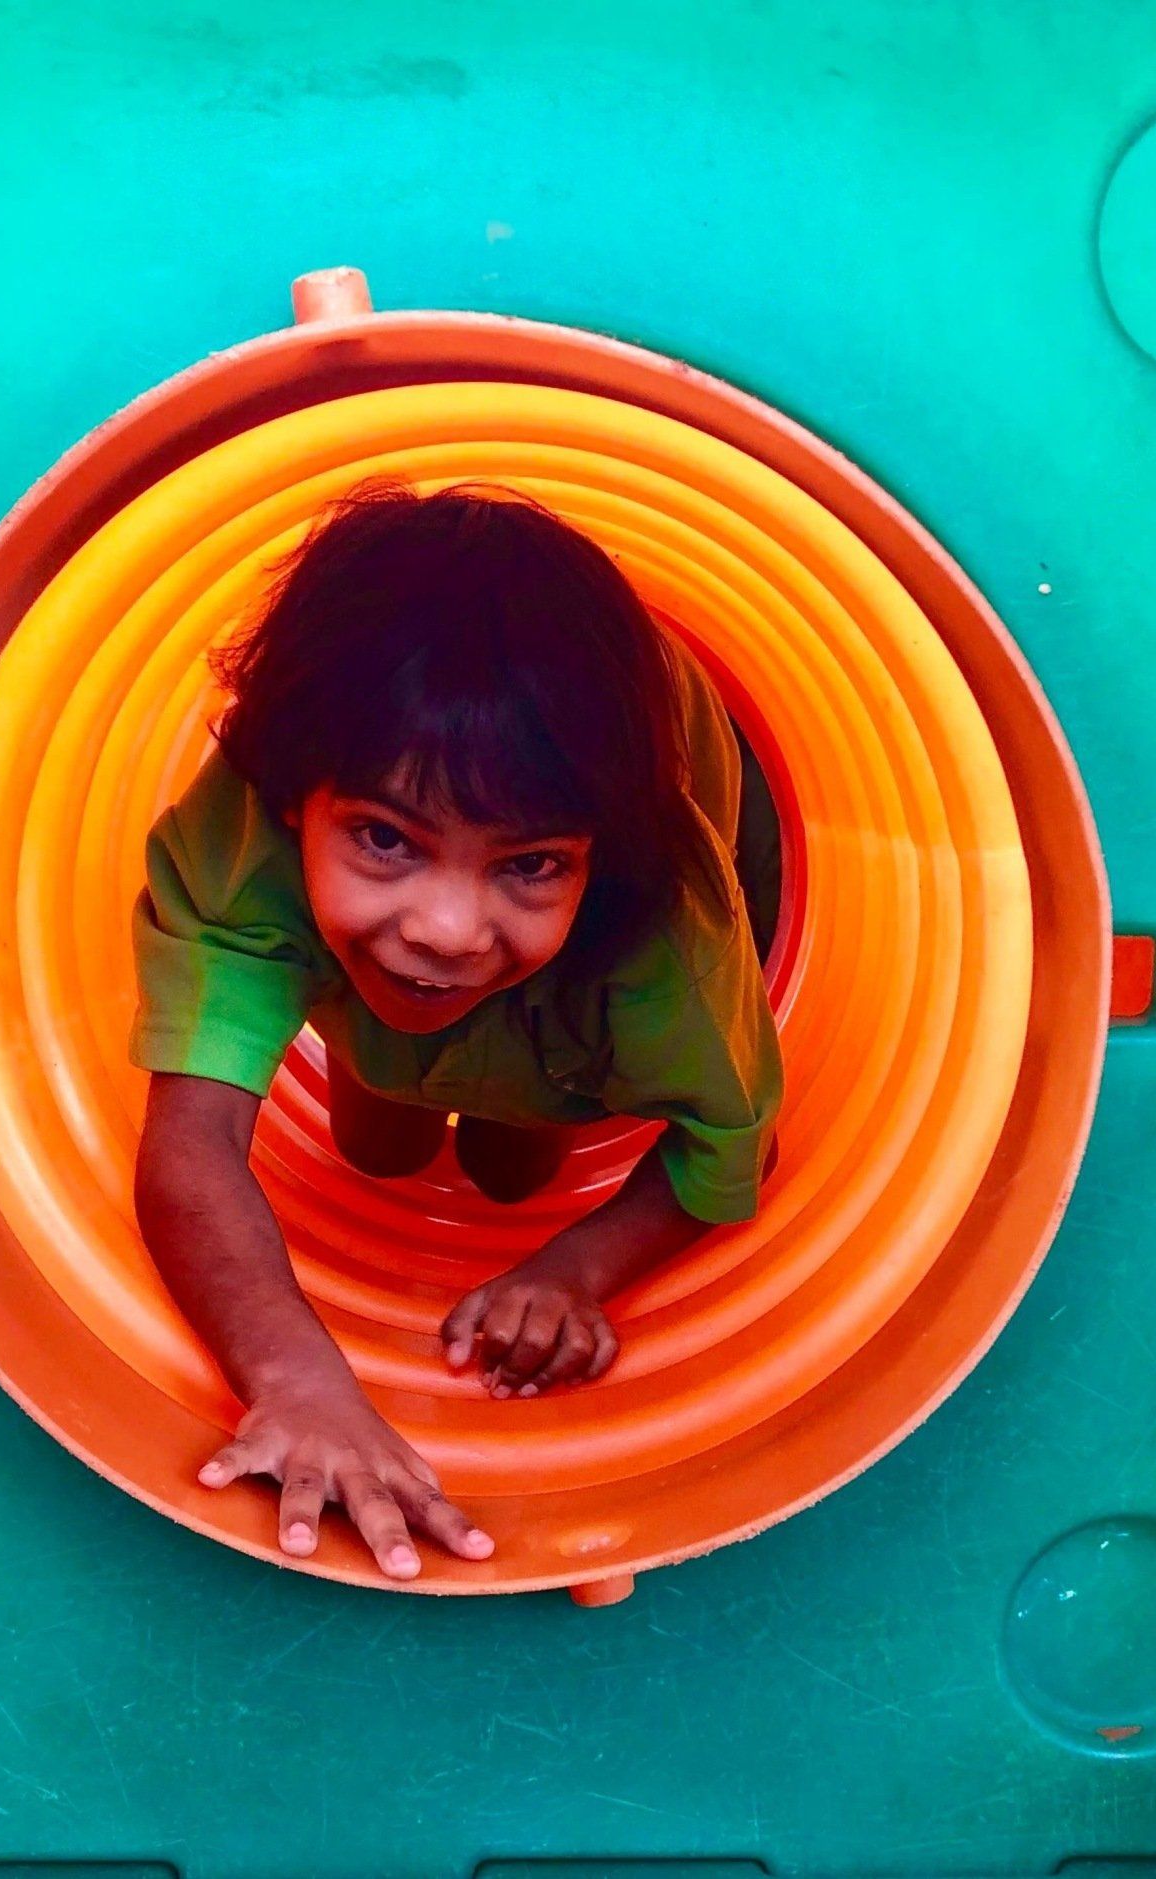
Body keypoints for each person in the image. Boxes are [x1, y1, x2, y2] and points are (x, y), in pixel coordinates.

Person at [130, 476, 783, 1579]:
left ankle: (511, 1113)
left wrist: (574, 1270)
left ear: (591, 851)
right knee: (374, 1141)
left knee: (517, 1166)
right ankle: (402, 1074)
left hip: (574, 1007)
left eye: (529, 862)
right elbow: (190, 1144)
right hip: (372, 972)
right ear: (295, 797)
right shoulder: (244, 834)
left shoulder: (662, 928)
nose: (447, 925)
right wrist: (296, 1378)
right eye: (385, 838)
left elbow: (730, 1138)